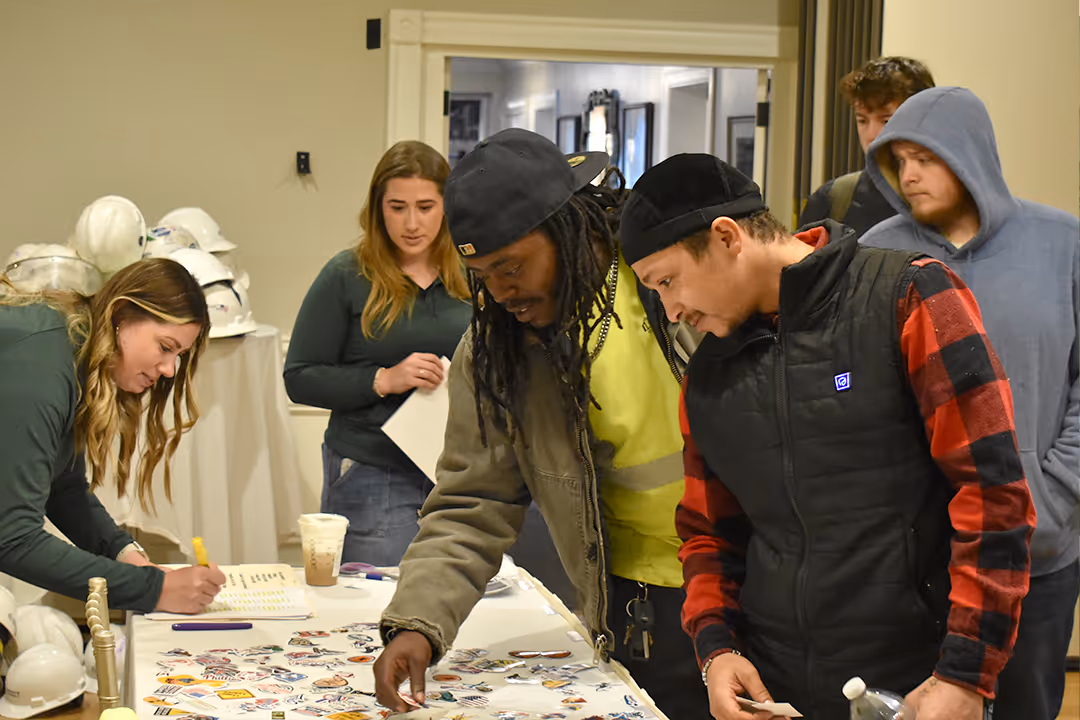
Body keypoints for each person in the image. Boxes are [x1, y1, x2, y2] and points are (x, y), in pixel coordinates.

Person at [620, 153, 1036, 720]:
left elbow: (993, 496)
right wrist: (717, 649)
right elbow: (708, 534)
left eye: (667, 281)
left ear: (726, 237)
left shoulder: (908, 296)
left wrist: (966, 674)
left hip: (918, 683)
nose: (670, 311)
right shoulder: (708, 375)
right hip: (777, 688)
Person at [372, 129, 705, 718]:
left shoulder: (668, 288)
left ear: (566, 228)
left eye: (511, 266)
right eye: (482, 274)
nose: (500, 291)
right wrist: (418, 623)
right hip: (630, 610)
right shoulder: (496, 350)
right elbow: (472, 501)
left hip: (738, 595)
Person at [860, 86, 1080, 720]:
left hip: (1037, 553)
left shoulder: (1063, 243)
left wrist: (1053, 494)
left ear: (970, 155)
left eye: (925, 158)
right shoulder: (878, 250)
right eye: (898, 161)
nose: (908, 176)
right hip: (919, 557)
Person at [0, 257, 225, 613]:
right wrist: (154, 589)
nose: (169, 370)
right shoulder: (42, 364)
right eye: (165, 347)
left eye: (178, 355)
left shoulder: (73, 349)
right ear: (121, 315)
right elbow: (12, 537)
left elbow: (63, 486)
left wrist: (131, 559)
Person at [284, 140, 472, 566]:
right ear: (377, 208)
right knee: (374, 600)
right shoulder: (346, 275)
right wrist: (383, 379)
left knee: (455, 599)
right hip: (372, 472)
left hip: (459, 472)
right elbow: (299, 377)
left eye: (426, 207)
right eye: (397, 207)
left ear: (447, 206)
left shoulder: (472, 272)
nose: (412, 223)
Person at [799, 56, 935, 237]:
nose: (872, 135)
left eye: (886, 120)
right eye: (862, 120)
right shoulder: (832, 200)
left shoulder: (951, 201)